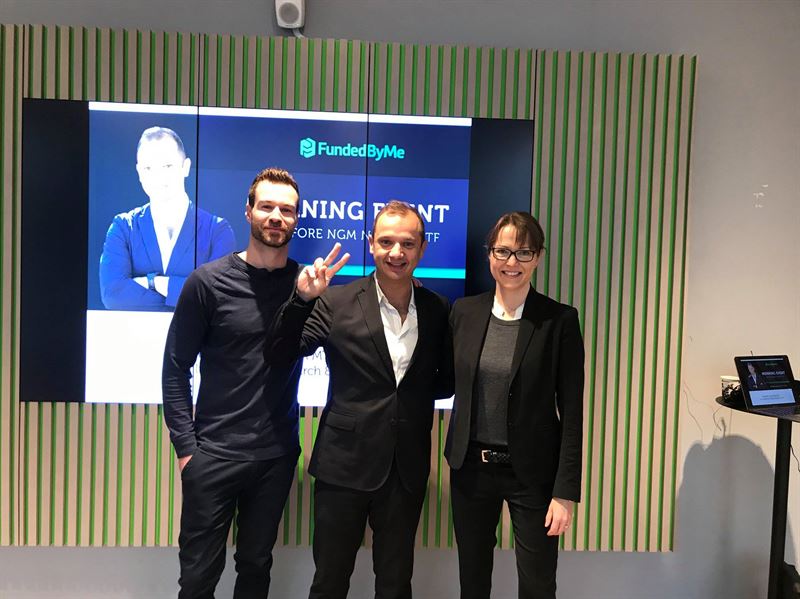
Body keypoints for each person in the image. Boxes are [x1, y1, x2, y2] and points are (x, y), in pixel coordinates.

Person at [162, 167, 347, 598]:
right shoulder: (207, 283)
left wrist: (306, 299)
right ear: (248, 212)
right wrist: (187, 450)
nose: (276, 217)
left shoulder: (308, 286)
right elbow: (175, 368)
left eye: (287, 210)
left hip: (274, 457)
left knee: (256, 567)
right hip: (212, 454)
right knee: (197, 577)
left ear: (296, 219)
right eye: (267, 207)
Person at [270, 200, 452, 599]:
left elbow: (443, 382)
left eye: (408, 243)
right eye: (386, 242)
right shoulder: (336, 301)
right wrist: (301, 300)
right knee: (330, 581)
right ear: (371, 243)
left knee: (395, 584)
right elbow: (282, 354)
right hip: (343, 466)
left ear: (422, 248)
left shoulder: (437, 309)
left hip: (405, 469)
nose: (396, 252)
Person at [445, 211, 584, 599]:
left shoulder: (559, 321)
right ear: (489, 254)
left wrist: (564, 492)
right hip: (471, 468)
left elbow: (572, 412)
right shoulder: (463, 312)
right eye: (503, 251)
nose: (512, 262)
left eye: (524, 253)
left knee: (538, 584)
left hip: (534, 473)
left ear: (538, 257)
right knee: (473, 581)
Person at [99, 126, 235, 311]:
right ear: (139, 172)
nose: (158, 177)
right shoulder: (123, 227)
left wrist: (153, 282)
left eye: (167, 166)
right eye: (148, 168)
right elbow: (113, 295)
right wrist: (190, 295)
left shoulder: (217, 231)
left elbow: (218, 298)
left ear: (185, 167)